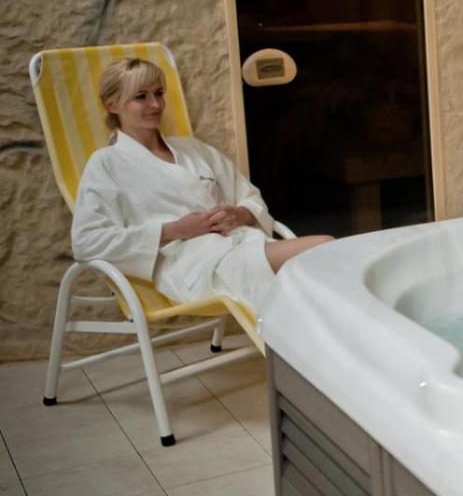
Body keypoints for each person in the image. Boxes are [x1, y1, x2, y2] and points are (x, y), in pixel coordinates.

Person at [71, 57, 333, 310]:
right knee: (323, 249)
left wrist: (239, 214)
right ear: (112, 105)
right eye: (141, 96)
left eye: (159, 93)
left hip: (241, 244)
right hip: (191, 265)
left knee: (326, 259)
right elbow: (87, 242)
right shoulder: (106, 163)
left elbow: (249, 196)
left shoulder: (193, 149)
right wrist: (173, 230)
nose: (155, 104)